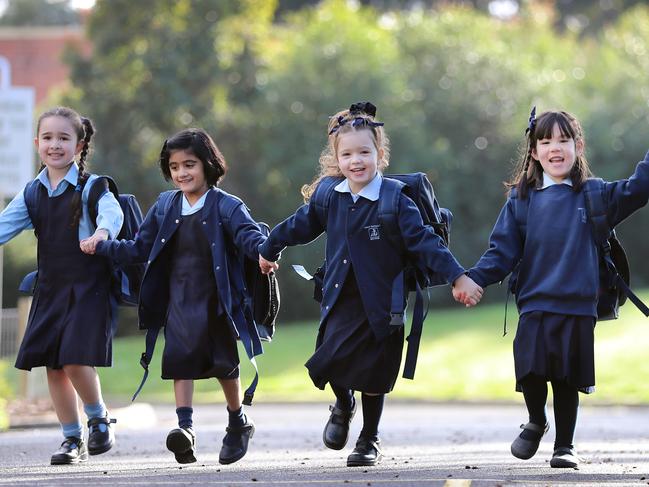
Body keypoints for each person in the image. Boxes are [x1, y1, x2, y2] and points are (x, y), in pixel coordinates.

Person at [258, 101, 482, 467]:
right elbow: (299, 224)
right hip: (340, 297)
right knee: (327, 361)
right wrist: (269, 248)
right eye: (347, 154)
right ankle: (344, 403)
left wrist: (458, 277)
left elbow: (427, 243)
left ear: (380, 153)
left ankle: (368, 439)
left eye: (364, 152)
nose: (356, 161)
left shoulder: (395, 201)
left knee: (376, 371)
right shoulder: (330, 196)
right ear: (336, 158)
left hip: (383, 302)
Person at [459, 108, 649, 468]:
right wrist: (474, 278)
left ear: (578, 146)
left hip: (578, 306)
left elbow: (639, 188)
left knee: (565, 378)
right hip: (534, 304)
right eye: (545, 141)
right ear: (533, 152)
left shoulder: (596, 196)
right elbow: (501, 252)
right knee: (530, 370)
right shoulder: (522, 200)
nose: (555, 148)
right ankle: (536, 420)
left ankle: (565, 446)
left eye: (563, 140)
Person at [81, 128, 267, 465]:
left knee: (225, 364)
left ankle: (237, 420)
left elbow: (250, 237)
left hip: (218, 300)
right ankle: (185, 429)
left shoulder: (226, 205)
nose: (182, 172)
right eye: (175, 166)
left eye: (190, 164)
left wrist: (266, 254)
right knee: (180, 361)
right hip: (178, 299)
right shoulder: (166, 205)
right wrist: (102, 246)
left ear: (208, 164)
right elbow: (140, 247)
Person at [0, 106, 123, 465]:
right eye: (48, 138)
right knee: (53, 364)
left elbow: (111, 214)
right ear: (37, 143)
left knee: (73, 357)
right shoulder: (32, 192)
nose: (55, 145)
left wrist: (101, 234)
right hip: (50, 288)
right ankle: (72, 439)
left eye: (64, 138)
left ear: (79, 145)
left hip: (88, 287)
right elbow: (4, 226)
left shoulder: (92, 186)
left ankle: (98, 417)